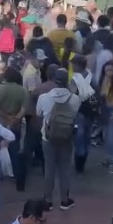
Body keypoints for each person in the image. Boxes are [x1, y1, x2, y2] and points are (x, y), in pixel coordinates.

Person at [37, 68, 79, 211]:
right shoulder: (74, 99)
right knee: (64, 169)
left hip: (48, 137)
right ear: (67, 81)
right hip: (66, 137)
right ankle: (64, 200)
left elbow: (39, 113)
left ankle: (48, 201)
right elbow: (74, 115)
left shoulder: (44, 97)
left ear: (54, 80)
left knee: (49, 169)